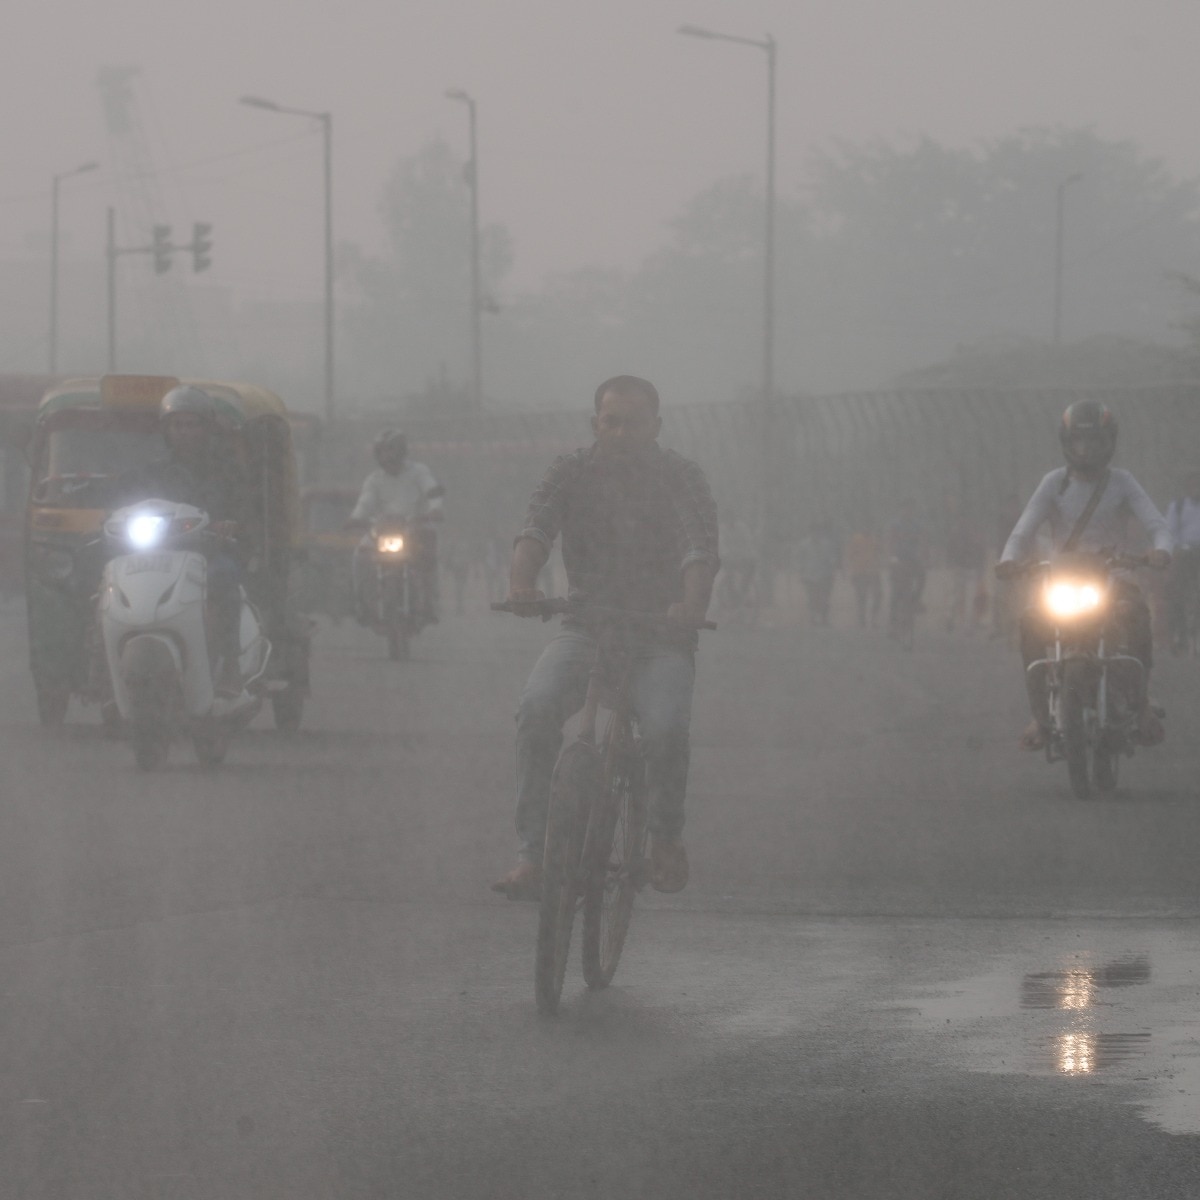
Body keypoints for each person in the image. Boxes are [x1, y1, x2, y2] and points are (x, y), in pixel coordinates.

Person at [492, 375, 719, 900]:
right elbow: (535, 530)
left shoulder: (680, 477)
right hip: (586, 626)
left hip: (662, 636)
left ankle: (663, 839)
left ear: (656, 427)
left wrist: (690, 605)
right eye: (610, 422)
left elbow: (697, 551)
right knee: (536, 709)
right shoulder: (570, 471)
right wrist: (522, 585)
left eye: (634, 423)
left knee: (664, 731)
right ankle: (532, 855)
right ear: (595, 423)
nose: (620, 433)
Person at [995, 400, 1171, 750]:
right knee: (1032, 623)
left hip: (1113, 578)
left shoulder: (1123, 482)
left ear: (1109, 443)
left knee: (1136, 616)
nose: (1086, 449)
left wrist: (1160, 549)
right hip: (1062, 579)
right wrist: (1009, 559)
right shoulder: (1052, 484)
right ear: (1067, 442)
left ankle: (1142, 703)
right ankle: (1040, 716)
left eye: (1094, 441)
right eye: (1079, 441)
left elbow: (1156, 523)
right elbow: (1022, 531)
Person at [118, 385, 249, 698]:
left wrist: (229, 525)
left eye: (193, 424)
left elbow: (244, 509)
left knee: (225, 578)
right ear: (167, 429)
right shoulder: (152, 472)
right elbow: (130, 502)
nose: (185, 432)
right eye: (178, 425)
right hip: (156, 556)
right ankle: (103, 665)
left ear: (206, 428)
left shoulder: (227, 471)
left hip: (208, 555)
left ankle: (230, 664)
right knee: (108, 586)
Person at [346, 430, 443, 622]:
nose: (387, 457)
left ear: (401, 451)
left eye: (391, 451)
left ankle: (429, 603)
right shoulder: (374, 479)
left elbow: (431, 490)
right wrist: (355, 518)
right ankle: (364, 604)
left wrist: (435, 509)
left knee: (429, 560)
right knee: (360, 557)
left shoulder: (419, 472)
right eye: (382, 452)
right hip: (383, 531)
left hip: (416, 528)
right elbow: (365, 502)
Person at [1165, 469, 1200, 653]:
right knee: (1176, 593)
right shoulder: (1177, 507)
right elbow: (1170, 532)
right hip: (1185, 555)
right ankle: (1178, 633)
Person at [886, 499, 927, 638]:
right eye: (906, 508)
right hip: (898, 557)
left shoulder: (916, 525)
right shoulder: (895, 524)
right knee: (896, 590)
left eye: (911, 509)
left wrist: (923, 555)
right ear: (901, 509)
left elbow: (922, 541)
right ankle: (892, 622)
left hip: (912, 558)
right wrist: (891, 557)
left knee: (922, 575)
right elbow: (890, 541)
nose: (908, 511)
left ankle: (916, 599)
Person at [796, 517, 840, 626]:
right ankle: (813, 617)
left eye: (818, 531)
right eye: (813, 530)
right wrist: (801, 571)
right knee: (812, 597)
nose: (816, 533)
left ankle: (824, 618)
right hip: (809, 575)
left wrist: (833, 563)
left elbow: (832, 558)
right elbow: (800, 560)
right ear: (810, 531)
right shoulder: (804, 545)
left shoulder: (827, 544)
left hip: (825, 575)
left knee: (825, 597)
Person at [844, 526, 883, 629]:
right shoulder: (855, 539)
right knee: (862, 596)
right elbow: (849, 555)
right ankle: (862, 619)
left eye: (869, 526)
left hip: (873, 571)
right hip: (859, 572)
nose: (867, 529)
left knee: (878, 595)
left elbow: (880, 552)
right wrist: (851, 571)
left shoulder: (875, 539)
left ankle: (874, 618)